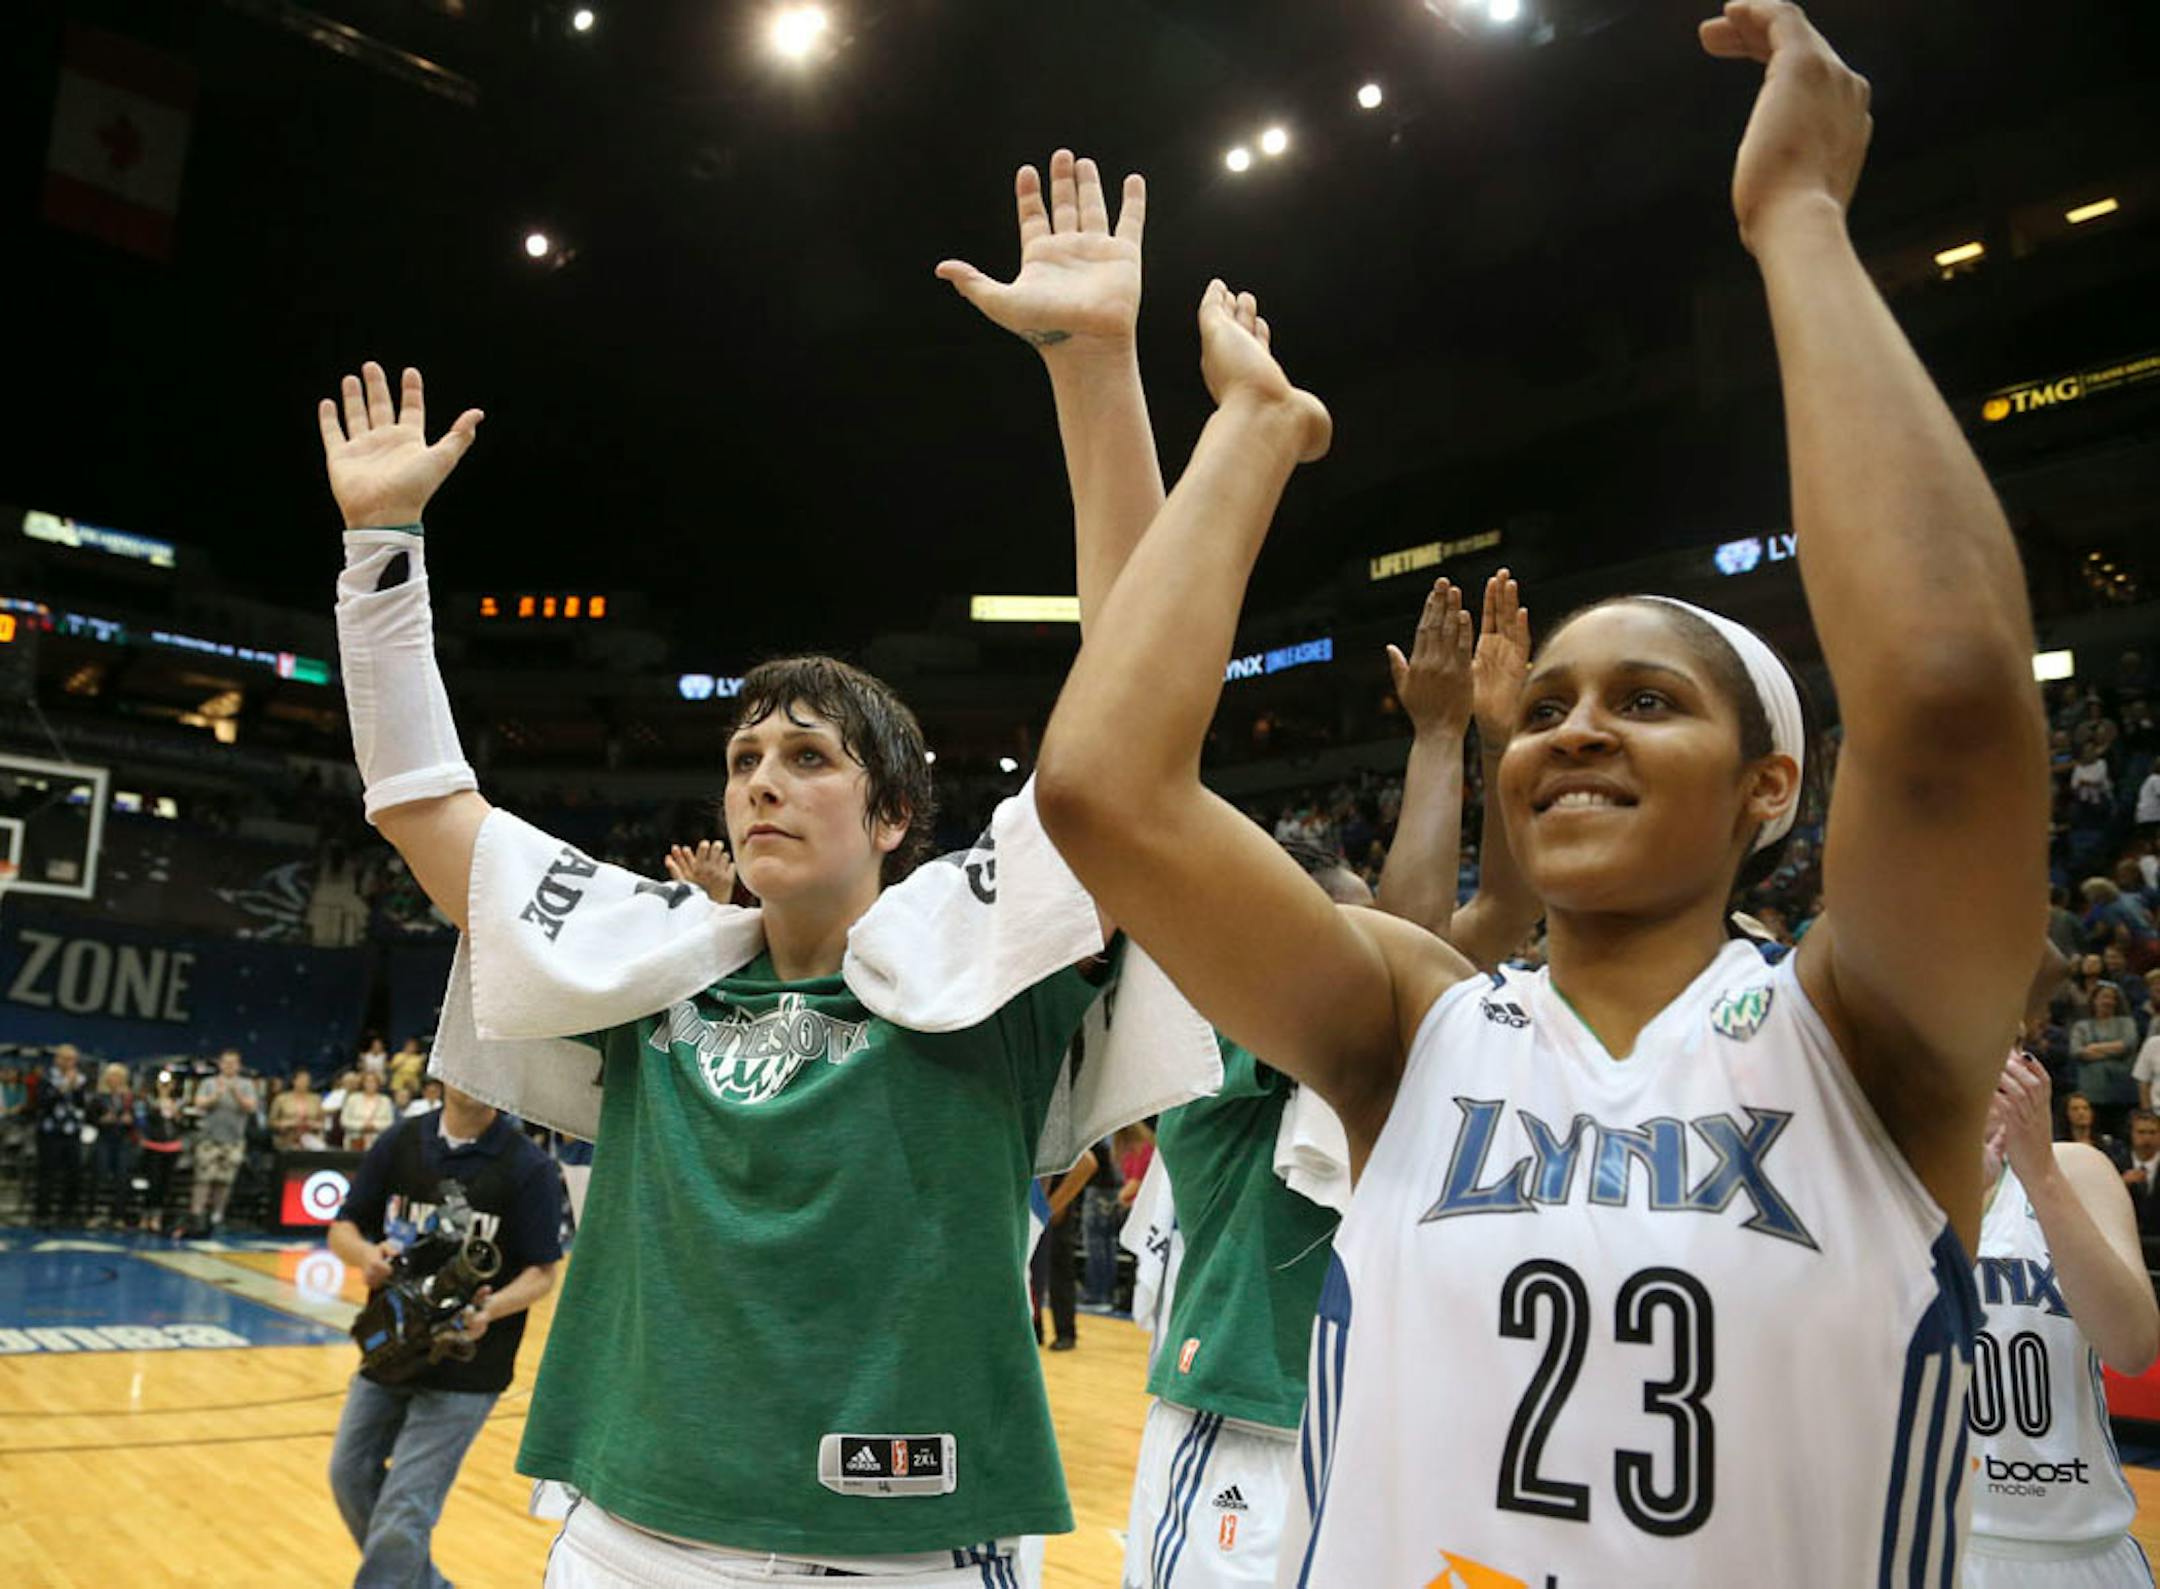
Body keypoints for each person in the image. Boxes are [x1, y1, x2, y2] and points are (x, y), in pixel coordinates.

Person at [1034, 6, 2046, 1581]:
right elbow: (1106, 788)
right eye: (1552, 705)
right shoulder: (1417, 1025)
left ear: (1771, 785)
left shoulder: (1867, 1040)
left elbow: (1950, 704)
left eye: (1646, 701)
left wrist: (1798, 222)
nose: (1572, 731)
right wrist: (1249, 432)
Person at [317, 147, 1179, 1581]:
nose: (762, 779)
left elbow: (1142, 698)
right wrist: (380, 554)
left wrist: (1095, 373)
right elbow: (421, 807)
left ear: (896, 814)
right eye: (744, 757)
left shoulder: (991, 960)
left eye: (811, 757)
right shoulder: (652, 964)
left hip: (905, 1545)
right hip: (630, 1533)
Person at [1119, 572, 1539, 1589]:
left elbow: (1500, 915)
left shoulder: (1371, 1024)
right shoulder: (1223, 1018)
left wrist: (1500, 744)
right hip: (1240, 1429)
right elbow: (1410, 943)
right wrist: (1436, 738)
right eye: (1340, 932)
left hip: (1377, 1414)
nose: (1369, 951)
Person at [327, 1083, 564, 1587]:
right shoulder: (401, 1141)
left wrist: (490, 1309)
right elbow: (342, 1229)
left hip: (468, 1366)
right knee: (349, 1474)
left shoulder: (530, 1166)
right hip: (391, 1349)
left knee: (405, 1508)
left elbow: (544, 1272)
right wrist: (367, 1256)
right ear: (441, 1072)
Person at [1965, 1054, 2157, 1586]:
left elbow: (2133, 1348)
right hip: (1944, 1543)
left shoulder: (2075, 1167)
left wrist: (2040, 1174)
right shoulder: (1891, 1177)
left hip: (2081, 1549)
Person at [189, 1049, 258, 1231]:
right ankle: (197, 1214)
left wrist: (236, 1094)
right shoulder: (208, 1083)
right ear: (220, 1064)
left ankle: (217, 1215)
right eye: (226, 1062)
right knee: (203, 1178)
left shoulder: (246, 1085)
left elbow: (251, 1108)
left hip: (234, 1140)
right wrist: (216, 1095)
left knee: (225, 1180)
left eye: (233, 1063)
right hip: (209, 1139)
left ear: (239, 1066)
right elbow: (199, 1103)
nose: (229, 1066)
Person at [2069, 984, 2139, 1138]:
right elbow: (2077, 1051)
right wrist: (2113, 1051)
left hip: (2122, 1091)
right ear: (2094, 1000)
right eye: (2104, 997)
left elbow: (2127, 1045)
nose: (2108, 1001)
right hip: (2092, 1090)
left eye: (2112, 998)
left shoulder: (2126, 1022)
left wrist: (2094, 1047)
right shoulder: (2081, 1026)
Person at [33, 1045, 91, 1226]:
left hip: (72, 1132)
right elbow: (42, 1103)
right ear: (57, 1059)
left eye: (72, 1059)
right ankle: (43, 1214)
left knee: (74, 1174)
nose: (69, 1062)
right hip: (50, 1132)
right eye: (65, 1058)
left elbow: (83, 1105)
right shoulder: (46, 1078)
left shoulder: (81, 1080)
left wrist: (76, 1088)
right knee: (47, 1174)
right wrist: (63, 1088)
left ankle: (67, 1213)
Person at [87, 1062, 136, 1228]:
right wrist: (101, 1120)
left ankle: (118, 1216)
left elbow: (137, 1119)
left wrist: (130, 1121)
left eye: (119, 1077)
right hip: (104, 1139)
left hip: (122, 1140)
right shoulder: (98, 1097)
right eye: (112, 1076)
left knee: (122, 1177)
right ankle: (93, 1214)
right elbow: (89, 1118)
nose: (115, 1080)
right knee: (98, 1176)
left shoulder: (128, 1098)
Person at [136, 1071, 185, 1232]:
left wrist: (176, 1113)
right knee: (153, 1182)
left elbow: (183, 1124)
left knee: (165, 1184)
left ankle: (157, 1216)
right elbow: (143, 1122)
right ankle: (145, 1215)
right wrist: (158, 1106)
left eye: (168, 1083)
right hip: (153, 1146)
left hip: (172, 1147)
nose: (165, 1086)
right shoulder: (148, 1101)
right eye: (162, 1083)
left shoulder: (179, 1103)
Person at [2063, 1093, 2128, 1172]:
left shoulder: (2106, 1144)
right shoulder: (2062, 1146)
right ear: (2066, 1113)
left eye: (2085, 1108)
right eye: (2075, 1109)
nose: (2081, 1112)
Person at [271, 1069, 327, 1153]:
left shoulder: (316, 1099)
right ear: (294, 1081)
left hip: (311, 1140)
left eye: (307, 1080)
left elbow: (324, 1122)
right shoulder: (281, 1099)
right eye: (301, 1080)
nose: (304, 1083)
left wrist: (313, 1124)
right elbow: (271, 1122)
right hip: (286, 1140)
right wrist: (286, 1123)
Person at [341, 1070, 396, 1153]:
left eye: (373, 1081)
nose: (370, 1084)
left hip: (378, 1141)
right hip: (355, 1140)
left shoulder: (385, 1100)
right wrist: (362, 1126)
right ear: (363, 1083)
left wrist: (374, 1126)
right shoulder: (353, 1099)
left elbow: (390, 1122)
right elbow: (344, 1120)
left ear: (378, 1084)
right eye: (367, 1081)